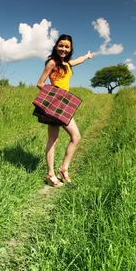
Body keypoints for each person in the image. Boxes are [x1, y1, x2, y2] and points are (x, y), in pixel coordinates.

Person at [36, 34, 95, 187]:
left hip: (65, 105)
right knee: (53, 140)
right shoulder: (52, 63)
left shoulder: (67, 63)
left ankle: (63, 169)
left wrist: (87, 56)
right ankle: (50, 174)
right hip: (55, 103)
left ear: (70, 49)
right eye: (61, 45)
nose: (63, 49)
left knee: (76, 136)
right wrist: (54, 95)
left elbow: (76, 61)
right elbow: (40, 83)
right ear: (56, 46)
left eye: (67, 47)